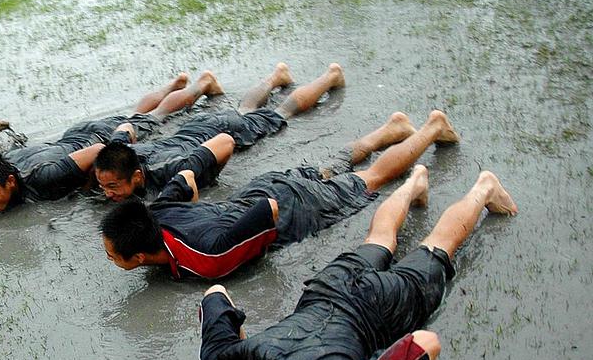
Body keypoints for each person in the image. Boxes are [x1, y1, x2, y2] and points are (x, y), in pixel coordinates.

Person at [198, 166, 518, 360]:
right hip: (327, 286)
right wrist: (242, 349)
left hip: (379, 306)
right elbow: (215, 295)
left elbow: (426, 344)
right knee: (379, 239)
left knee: (438, 246)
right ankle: (413, 182)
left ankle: (484, 187)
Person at [101, 110, 460, 279]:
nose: (110, 259)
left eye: (113, 255)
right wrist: (199, 211)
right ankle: (390, 128)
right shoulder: (157, 211)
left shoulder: (207, 255)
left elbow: (268, 210)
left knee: (373, 179)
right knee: (327, 167)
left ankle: (432, 128)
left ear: (137, 258)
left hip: (290, 206)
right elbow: (183, 179)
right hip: (258, 187)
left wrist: (219, 224)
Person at [0, 71, 226, 212]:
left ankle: (203, 83)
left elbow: (100, 150)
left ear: (10, 182)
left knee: (156, 117)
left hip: (96, 137)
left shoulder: (44, 178)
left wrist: (90, 185)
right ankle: (172, 85)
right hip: (73, 136)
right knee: (138, 115)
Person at [94, 62, 345, 202]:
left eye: (113, 186)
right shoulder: (122, 155)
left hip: (222, 131)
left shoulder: (167, 169)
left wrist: (209, 173)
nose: (108, 192)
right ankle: (277, 76)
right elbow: (125, 128)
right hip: (195, 128)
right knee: (245, 108)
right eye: (104, 186)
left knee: (281, 113)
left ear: (137, 176)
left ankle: (330, 76)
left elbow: (223, 145)